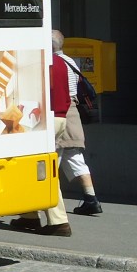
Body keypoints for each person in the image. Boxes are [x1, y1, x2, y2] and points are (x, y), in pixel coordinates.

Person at [11, 34, 73, 237]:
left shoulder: (41, 61)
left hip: (44, 118)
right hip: (59, 117)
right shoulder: (61, 63)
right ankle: (29, 215)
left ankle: (59, 220)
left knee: (45, 171)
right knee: (31, 167)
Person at [53, 30, 103, 215]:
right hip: (72, 112)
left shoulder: (55, 63)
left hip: (59, 111)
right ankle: (91, 199)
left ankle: (49, 205)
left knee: (52, 159)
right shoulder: (71, 61)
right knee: (74, 157)